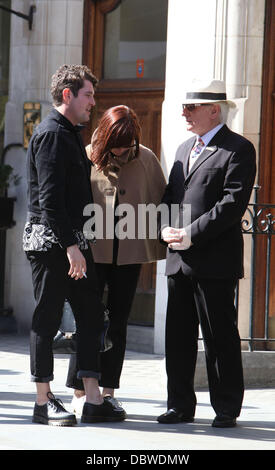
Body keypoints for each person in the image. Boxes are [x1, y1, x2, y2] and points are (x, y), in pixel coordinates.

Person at [23, 64, 125, 426]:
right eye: (88, 95)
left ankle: (93, 399)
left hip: (73, 244)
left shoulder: (69, 133)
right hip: (53, 244)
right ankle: (42, 400)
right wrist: (70, 247)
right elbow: (49, 200)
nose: (93, 103)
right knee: (46, 319)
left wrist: (77, 244)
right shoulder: (51, 134)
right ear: (68, 95)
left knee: (91, 315)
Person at [157, 79, 256, 428]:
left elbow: (231, 204)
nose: (184, 112)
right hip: (178, 260)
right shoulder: (184, 148)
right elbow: (171, 197)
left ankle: (227, 407)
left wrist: (191, 234)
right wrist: (164, 229)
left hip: (214, 261)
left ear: (214, 110)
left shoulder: (239, 149)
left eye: (192, 107)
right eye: (184, 107)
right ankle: (179, 404)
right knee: (178, 338)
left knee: (220, 337)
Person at [66, 105, 167, 416]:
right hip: (91, 254)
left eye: (126, 143)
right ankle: (79, 389)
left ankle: (109, 391)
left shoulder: (147, 159)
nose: (121, 149)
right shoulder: (85, 157)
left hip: (129, 255)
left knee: (118, 323)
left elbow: (162, 200)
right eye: (116, 143)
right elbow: (69, 202)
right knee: (88, 321)